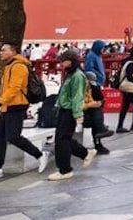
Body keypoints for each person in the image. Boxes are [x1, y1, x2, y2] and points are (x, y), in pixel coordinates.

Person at [0, 43, 49, 179]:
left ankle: (40, 154)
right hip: (7, 106)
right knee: (0, 137)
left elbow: (14, 88)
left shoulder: (19, 66)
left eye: (4, 50)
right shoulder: (9, 66)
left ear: (13, 51)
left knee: (13, 137)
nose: (1, 53)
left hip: (17, 106)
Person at [50, 50, 93, 180]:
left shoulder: (77, 76)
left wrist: (77, 114)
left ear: (70, 61)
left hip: (70, 111)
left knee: (61, 140)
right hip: (64, 109)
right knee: (64, 139)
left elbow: (77, 96)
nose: (61, 63)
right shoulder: (71, 74)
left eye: (63, 61)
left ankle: (65, 170)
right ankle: (85, 153)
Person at [82, 71, 112, 155]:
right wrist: (89, 105)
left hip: (90, 113)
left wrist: (95, 88)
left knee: (97, 111)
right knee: (94, 117)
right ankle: (101, 130)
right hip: (80, 114)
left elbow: (100, 101)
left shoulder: (94, 88)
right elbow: (77, 104)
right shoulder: (78, 89)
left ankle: (100, 134)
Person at [116, 46, 133, 133]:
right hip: (129, 87)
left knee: (125, 107)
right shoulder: (131, 63)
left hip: (126, 88)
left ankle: (120, 126)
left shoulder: (127, 61)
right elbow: (129, 75)